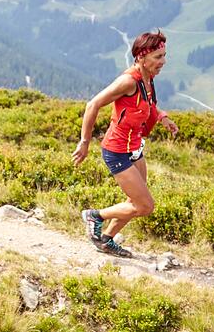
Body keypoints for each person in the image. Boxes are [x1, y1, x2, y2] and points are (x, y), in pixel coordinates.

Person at [72, 30, 179, 257]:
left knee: (134, 201)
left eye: (164, 55)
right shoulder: (128, 81)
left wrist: (162, 117)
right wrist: (84, 142)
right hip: (117, 150)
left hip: (135, 148)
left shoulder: (148, 79)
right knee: (144, 206)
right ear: (141, 57)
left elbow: (146, 104)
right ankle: (95, 216)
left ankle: (106, 240)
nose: (163, 61)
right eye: (158, 57)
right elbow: (93, 105)